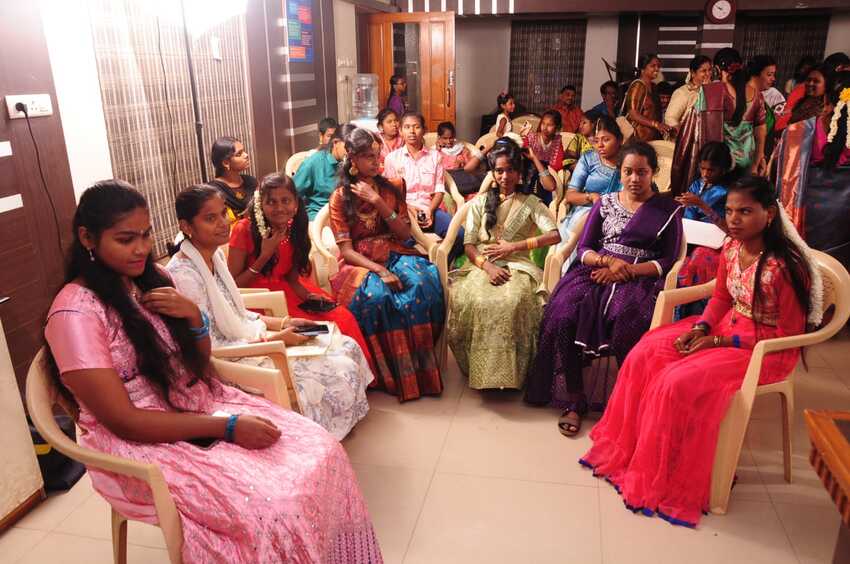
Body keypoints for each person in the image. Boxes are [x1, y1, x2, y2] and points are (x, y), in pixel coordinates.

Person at [44, 180, 383, 562]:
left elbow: (199, 362)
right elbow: (124, 421)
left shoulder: (148, 281)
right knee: (270, 506)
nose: (141, 249)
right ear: (87, 237)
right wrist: (227, 427)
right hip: (137, 442)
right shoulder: (75, 314)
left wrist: (192, 317)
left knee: (323, 450)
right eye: (126, 240)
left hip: (193, 400)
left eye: (145, 234)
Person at [580, 176, 821, 528]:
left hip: (763, 350)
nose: (734, 219)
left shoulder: (784, 267)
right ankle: (639, 453)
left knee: (675, 382)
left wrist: (719, 342)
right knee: (647, 351)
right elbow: (722, 297)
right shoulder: (733, 247)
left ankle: (676, 469)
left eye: (745, 211)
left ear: (769, 214)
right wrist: (700, 328)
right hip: (726, 330)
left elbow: (787, 334)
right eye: (730, 211)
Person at [166, 185, 373, 439]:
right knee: (337, 369)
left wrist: (285, 321)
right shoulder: (185, 274)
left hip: (249, 336)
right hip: (230, 359)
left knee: (345, 344)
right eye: (210, 218)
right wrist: (275, 339)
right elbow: (210, 346)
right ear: (186, 226)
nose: (223, 223)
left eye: (223, 214)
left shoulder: (213, 255)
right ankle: (316, 437)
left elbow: (237, 312)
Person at [525, 142, 684, 436]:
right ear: (620, 172)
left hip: (641, 279)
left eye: (642, 172)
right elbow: (584, 246)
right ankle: (575, 397)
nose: (634, 178)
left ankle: (627, 403)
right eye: (628, 172)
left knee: (627, 320)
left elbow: (669, 258)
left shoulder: (668, 210)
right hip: (596, 271)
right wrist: (609, 262)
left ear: (654, 173)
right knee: (562, 315)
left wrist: (629, 271)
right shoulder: (605, 202)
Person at [328, 127, 445, 402]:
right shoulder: (340, 198)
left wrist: (379, 201)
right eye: (368, 157)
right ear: (352, 158)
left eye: (377, 155)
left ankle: (421, 373)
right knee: (378, 297)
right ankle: (389, 377)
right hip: (361, 262)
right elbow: (346, 249)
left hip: (396, 250)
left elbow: (405, 235)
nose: (376, 162)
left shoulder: (393, 187)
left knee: (420, 286)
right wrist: (379, 270)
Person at [226, 172, 373, 367]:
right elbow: (232, 285)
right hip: (259, 301)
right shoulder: (243, 229)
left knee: (342, 318)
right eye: (272, 202)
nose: (279, 208)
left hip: (289, 290)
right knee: (317, 333)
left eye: (285, 200)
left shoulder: (294, 227)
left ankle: (358, 378)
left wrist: (308, 297)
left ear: (295, 203)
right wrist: (264, 256)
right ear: (261, 205)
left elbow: (292, 277)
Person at [447, 139, 560, 390]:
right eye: (499, 170)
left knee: (512, 301)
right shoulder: (478, 203)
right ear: (492, 172)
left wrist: (514, 247)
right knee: (475, 300)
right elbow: (469, 245)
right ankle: (480, 371)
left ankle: (513, 375)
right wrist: (487, 267)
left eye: (510, 170)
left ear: (519, 173)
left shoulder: (531, 203)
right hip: (481, 265)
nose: (505, 176)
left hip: (519, 265)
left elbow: (554, 235)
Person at [775, 71, 850, 269]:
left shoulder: (795, 133)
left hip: (801, 217)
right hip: (842, 229)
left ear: (825, 101)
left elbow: (778, 181)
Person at [670, 48, 767, 197]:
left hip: (720, 163)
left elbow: (696, 128)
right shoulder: (757, 95)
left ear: (717, 69)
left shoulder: (710, 92)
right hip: (747, 161)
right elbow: (761, 130)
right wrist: (759, 159)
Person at [384, 112, 463, 261]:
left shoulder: (435, 156)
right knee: (405, 243)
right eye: (407, 127)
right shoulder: (392, 159)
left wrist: (431, 211)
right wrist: (410, 209)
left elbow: (439, 189)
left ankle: (442, 266)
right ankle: (424, 269)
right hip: (404, 212)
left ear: (424, 130)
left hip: (429, 209)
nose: (412, 132)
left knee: (459, 235)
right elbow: (390, 195)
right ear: (400, 131)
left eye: (416, 127)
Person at [557, 115, 624, 272]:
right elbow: (570, 195)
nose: (600, 145)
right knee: (585, 222)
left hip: (618, 215)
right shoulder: (588, 159)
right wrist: (591, 197)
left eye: (606, 140)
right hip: (585, 212)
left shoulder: (628, 163)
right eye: (596, 140)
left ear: (619, 140)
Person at [674, 141, 734, 317]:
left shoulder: (727, 193)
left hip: (712, 242)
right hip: (688, 235)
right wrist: (683, 203)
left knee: (696, 263)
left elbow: (727, 227)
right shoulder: (697, 184)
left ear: (723, 170)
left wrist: (701, 204)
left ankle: (691, 314)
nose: (706, 174)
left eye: (711, 170)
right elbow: (688, 211)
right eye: (703, 169)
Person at [776, 52, 849, 134]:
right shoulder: (801, 101)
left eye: (816, 81)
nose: (810, 83)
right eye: (808, 80)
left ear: (827, 84)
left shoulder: (828, 109)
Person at [293, 124, 353, 221]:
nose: (351, 151)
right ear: (336, 142)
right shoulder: (314, 162)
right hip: (321, 218)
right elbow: (293, 192)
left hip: (347, 215)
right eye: (348, 147)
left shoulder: (353, 161)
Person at [623, 54, 673, 141]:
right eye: (653, 66)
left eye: (658, 66)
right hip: (637, 138)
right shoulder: (638, 85)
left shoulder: (654, 87)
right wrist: (656, 124)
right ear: (642, 69)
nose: (657, 69)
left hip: (651, 138)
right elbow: (633, 114)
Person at [520, 109, 564, 205]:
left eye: (550, 125)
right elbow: (523, 153)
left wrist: (541, 164)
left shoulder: (557, 140)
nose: (545, 128)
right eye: (543, 124)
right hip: (529, 172)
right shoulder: (531, 137)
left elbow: (557, 165)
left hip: (546, 174)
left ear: (556, 127)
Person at [209, 136, 257, 223]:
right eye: (239, 154)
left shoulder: (251, 181)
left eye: (244, 151)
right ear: (226, 163)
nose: (246, 155)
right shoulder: (214, 191)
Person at [665, 55, 712, 131]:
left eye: (709, 70)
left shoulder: (713, 90)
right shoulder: (683, 93)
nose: (708, 74)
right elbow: (670, 119)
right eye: (703, 71)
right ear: (693, 73)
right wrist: (685, 135)